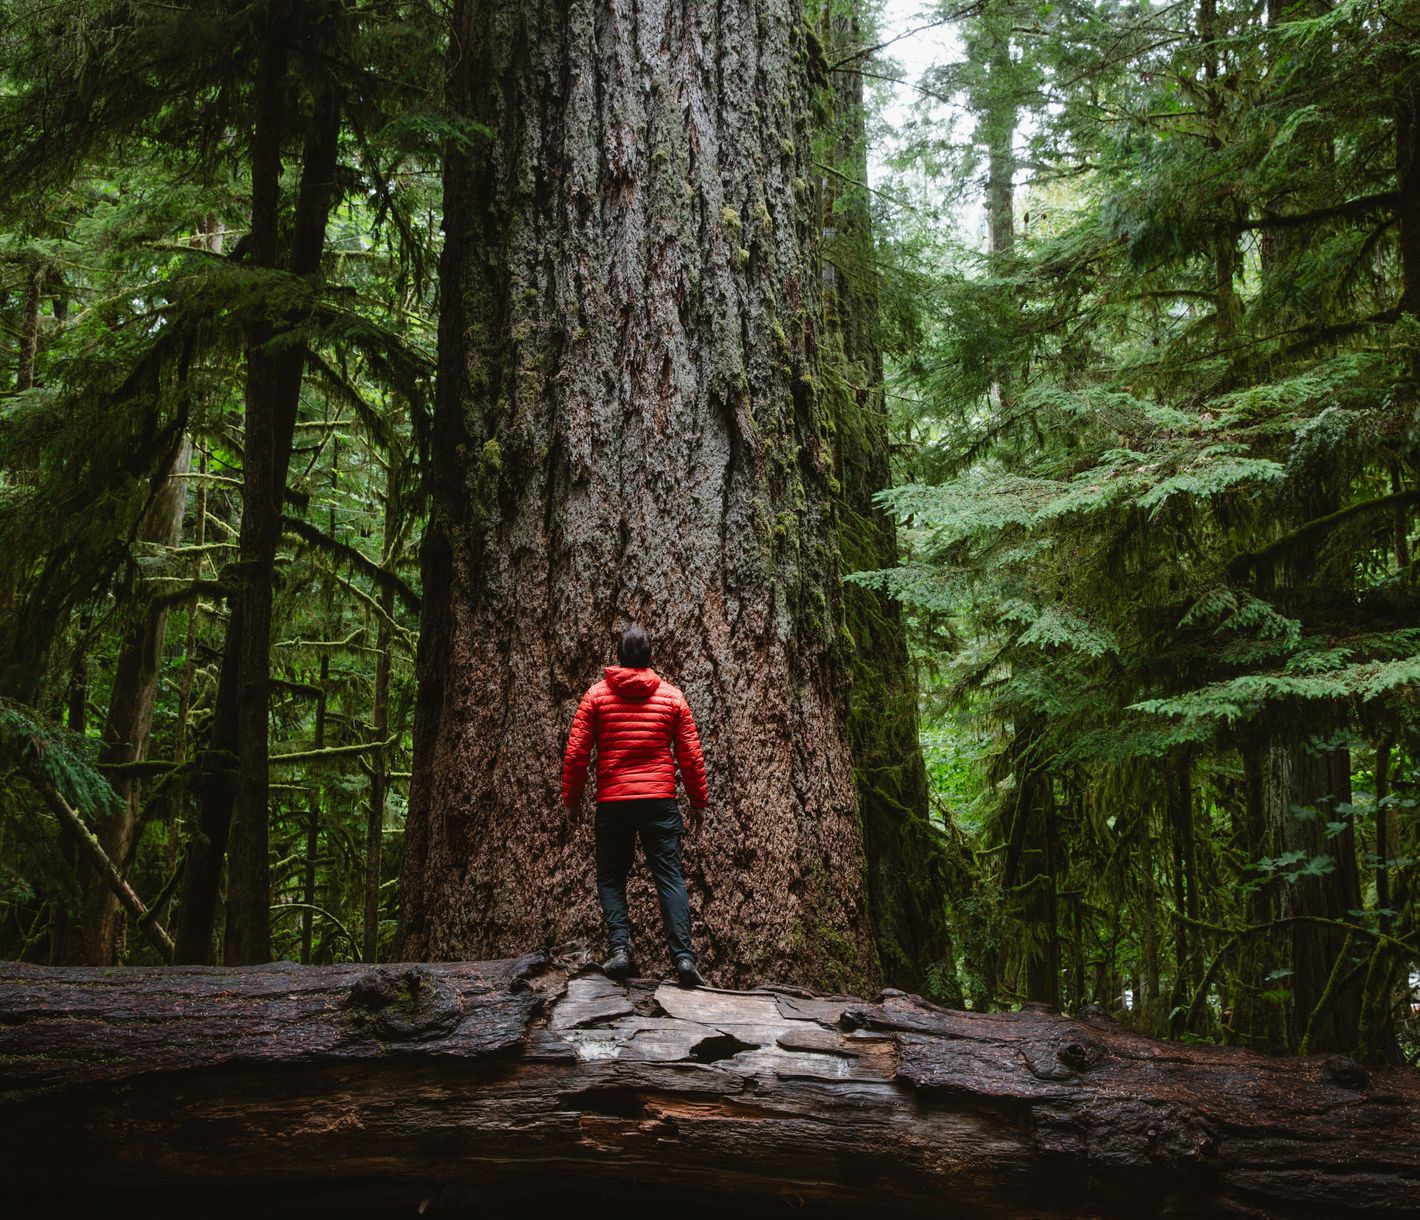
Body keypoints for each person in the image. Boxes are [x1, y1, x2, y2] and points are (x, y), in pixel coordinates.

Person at [561, 623, 709, 987]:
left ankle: (619, 951)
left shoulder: (596, 697)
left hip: (614, 803)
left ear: (619, 656)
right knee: (670, 878)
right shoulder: (672, 697)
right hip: (660, 801)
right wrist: (697, 800)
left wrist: (572, 799)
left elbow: (577, 752)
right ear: (649, 657)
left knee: (612, 877)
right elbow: (690, 754)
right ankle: (684, 959)